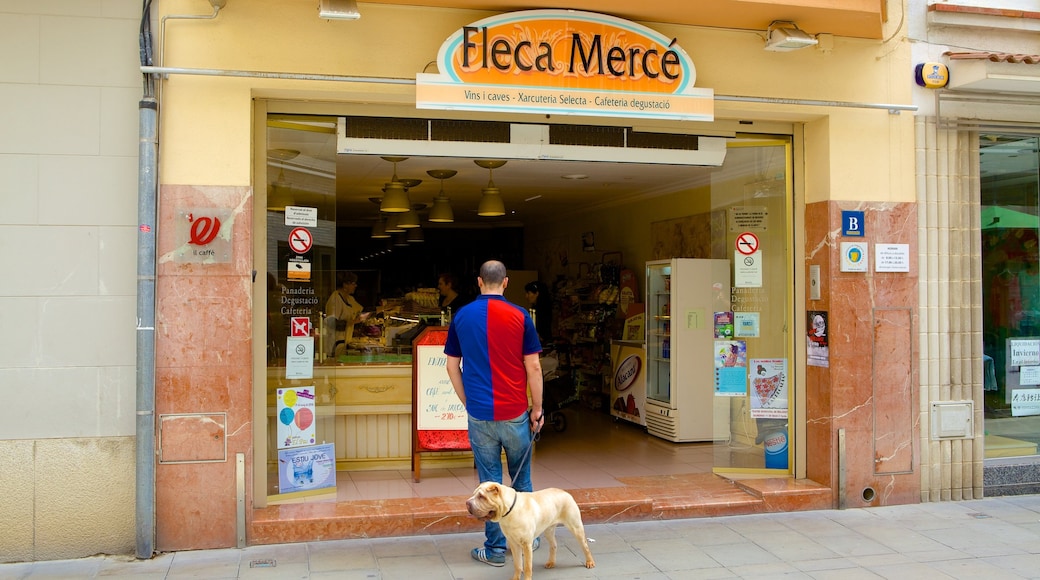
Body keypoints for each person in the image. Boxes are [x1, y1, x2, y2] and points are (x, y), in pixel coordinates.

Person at [444, 260, 545, 568]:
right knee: (521, 480)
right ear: (505, 283)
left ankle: (496, 549)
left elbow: (451, 366)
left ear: (478, 282)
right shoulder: (521, 316)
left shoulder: (461, 315)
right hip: (514, 411)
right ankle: (528, 538)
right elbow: (534, 367)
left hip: (480, 415)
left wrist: (467, 402)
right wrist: (538, 409)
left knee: (488, 483)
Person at [325, 271, 364, 356]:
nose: (355, 286)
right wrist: (353, 322)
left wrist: (386, 307)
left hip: (345, 342)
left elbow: (362, 311)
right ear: (345, 285)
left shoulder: (349, 299)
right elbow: (332, 323)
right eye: (353, 283)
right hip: (335, 344)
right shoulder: (335, 299)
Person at [523, 280, 553, 346]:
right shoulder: (534, 309)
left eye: (528, 293)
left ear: (536, 293)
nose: (526, 296)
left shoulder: (544, 310)